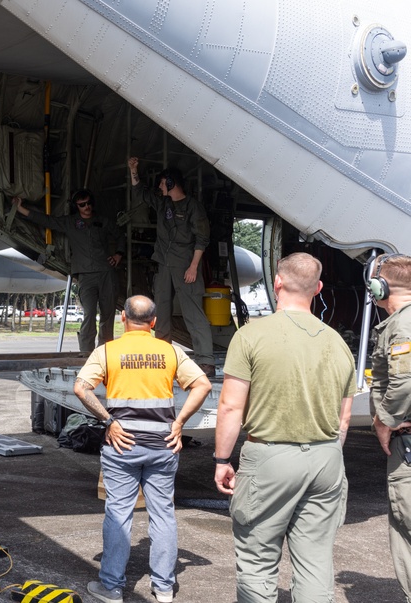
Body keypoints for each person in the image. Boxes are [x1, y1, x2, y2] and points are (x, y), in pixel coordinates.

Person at [213, 252, 355, 603]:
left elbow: (231, 405)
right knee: (315, 560)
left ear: (277, 283)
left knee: (258, 559)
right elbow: (344, 419)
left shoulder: (251, 336)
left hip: (271, 459)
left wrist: (221, 459)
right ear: (318, 288)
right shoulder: (338, 344)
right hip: (326, 459)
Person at [74, 295, 212, 603]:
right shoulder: (170, 351)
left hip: (122, 445)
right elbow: (202, 384)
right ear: (153, 323)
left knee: (118, 514)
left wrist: (109, 420)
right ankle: (163, 588)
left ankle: (111, 587)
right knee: (162, 514)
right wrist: (179, 423)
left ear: (123, 318)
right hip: (162, 444)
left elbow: (81, 387)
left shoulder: (107, 351)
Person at [127, 157, 214, 377]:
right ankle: (163, 357)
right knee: (161, 312)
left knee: (193, 312)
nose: (159, 187)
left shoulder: (194, 207)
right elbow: (142, 193)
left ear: (171, 184)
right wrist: (133, 170)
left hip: (185, 265)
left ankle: (205, 360)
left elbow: (202, 239)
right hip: (164, 264)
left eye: (162, 183)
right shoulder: (163, 203)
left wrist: (194, 267)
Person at [12, 191, 124, 351]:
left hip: (106, 273)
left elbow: (120, 235)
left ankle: (105, 353)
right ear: (76, 207)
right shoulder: (71, 223)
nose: (87, 207)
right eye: (82, 205)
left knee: (108, 316)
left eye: (89, 203)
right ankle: (86, 353)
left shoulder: (102, 221)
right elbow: (47, 220)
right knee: (89, 315)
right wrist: (21, 209)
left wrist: (119, 254)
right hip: (85, 276)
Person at [367, 253, 411, 602]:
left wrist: (385, 422)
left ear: (379, 287)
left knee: (406, 525)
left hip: (406, 443)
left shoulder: (403, 325)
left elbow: (403, 381)